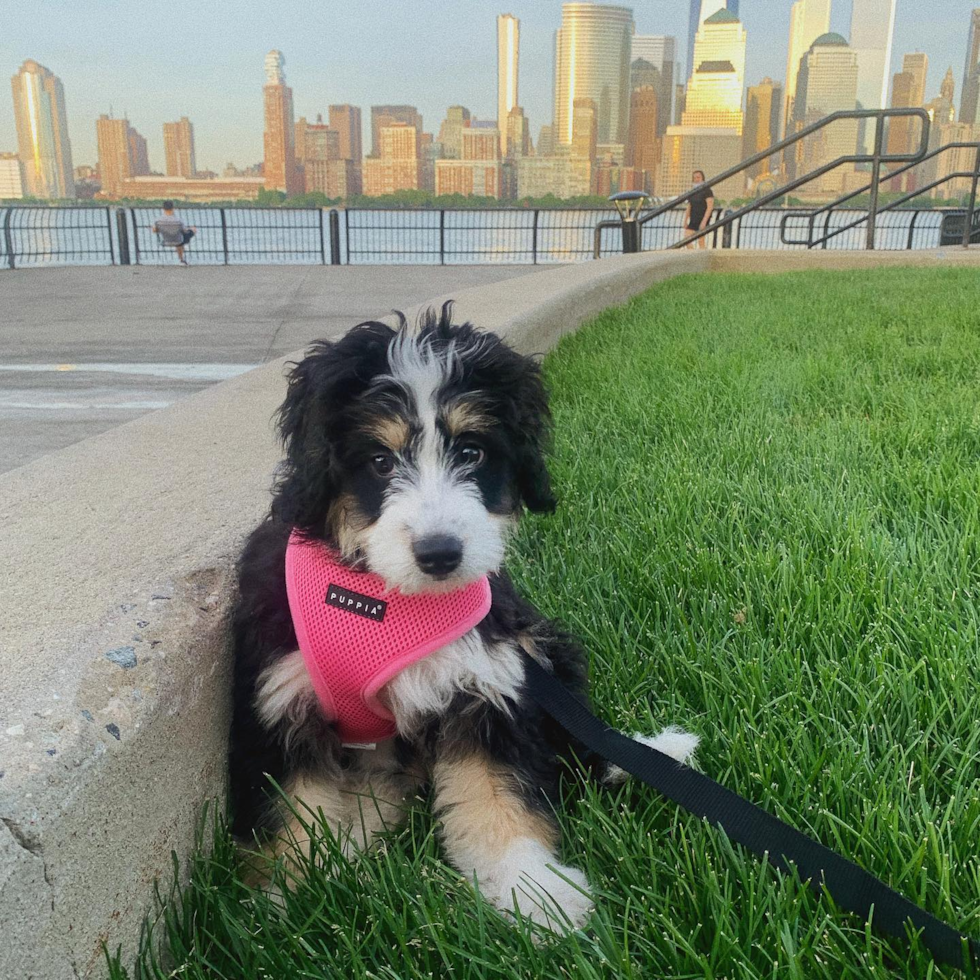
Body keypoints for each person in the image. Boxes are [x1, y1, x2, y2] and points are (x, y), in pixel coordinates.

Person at [683, 170, 714, 249]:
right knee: (686, 238)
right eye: (694, 178)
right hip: (693, 218)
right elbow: (689, 206)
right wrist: (685, 220)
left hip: (703, 217)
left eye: (698, 177)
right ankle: (693, 255)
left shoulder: (707, 190)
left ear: (702, 178)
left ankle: (702, 258)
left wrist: (704, 221)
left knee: (701, 240)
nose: (696, 179)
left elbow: (710, 206)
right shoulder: (692, 191)